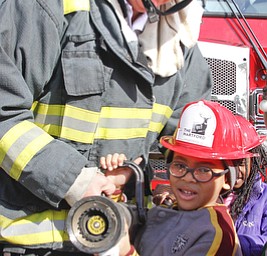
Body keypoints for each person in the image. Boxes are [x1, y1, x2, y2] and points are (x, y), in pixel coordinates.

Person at [0, 0, 212, 255]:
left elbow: (188, 139)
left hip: (122, 238)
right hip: (33, 242)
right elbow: (5, 112)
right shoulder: (46, 7)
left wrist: (134, 175)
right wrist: (76, 181)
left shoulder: (177, 36)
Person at [102, 100, 246, 255]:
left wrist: (125, 253)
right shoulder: (163, 210)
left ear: (226, 180)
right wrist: (114, 191)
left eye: (204, 170)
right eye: (179, 166)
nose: (189, 178)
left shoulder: (217, 236)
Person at [222, 108, 267, 255]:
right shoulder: (205, 196)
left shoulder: (264, 198)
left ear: (254, 162)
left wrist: (230, 243)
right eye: (225, 164)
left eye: (240, 163)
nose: (233, 172)